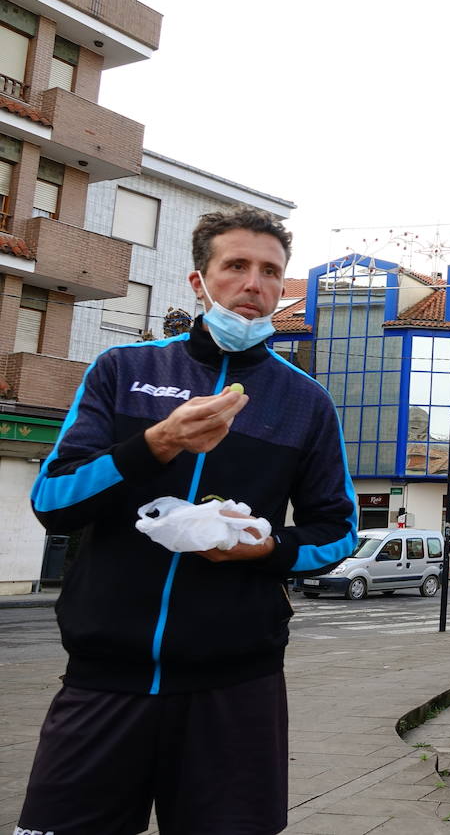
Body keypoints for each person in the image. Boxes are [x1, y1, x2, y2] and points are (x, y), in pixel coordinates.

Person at [18, 206, 358, 835]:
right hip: (104, 681)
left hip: (236, 686)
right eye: (236, 266)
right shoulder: (124, 370)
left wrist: (268, 548)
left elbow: (336, 532)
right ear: (200, 282)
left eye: (271, 272)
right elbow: (54, 500)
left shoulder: (306, 403)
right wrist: (158, 443)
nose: (254, 284)